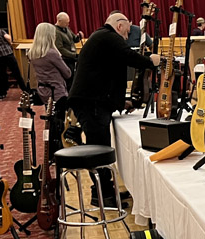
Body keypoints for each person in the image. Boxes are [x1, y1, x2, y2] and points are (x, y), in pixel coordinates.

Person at [69, 12, 161, 205]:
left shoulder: (102, 37)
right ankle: (101, 196)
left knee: (101, 147)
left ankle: (106, 190)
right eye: (127, 33)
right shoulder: (108, 36)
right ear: (120, 26)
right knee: (99, 149)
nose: (127, 37)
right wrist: (151, 61)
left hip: (92, 101)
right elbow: (129, 57)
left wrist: (120, 103)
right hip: (91, 103)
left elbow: (106, 74)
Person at [29, 22, 71, 108]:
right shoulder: (52, 53)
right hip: (57, 92)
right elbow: (67, 73)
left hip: (43, 91)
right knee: (61, 118)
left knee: (49, 116)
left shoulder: (32, 53)